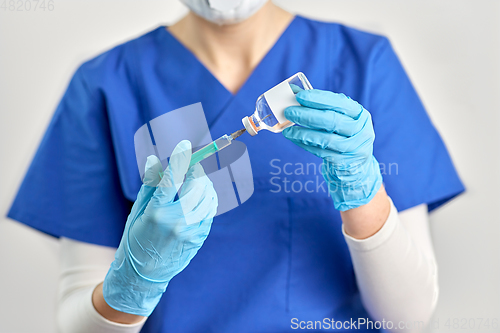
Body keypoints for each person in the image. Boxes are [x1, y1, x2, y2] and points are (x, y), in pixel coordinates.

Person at [7, 0, 465, 332]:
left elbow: (408, 318)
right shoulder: (107, 83)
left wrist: (362, 189)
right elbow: (77, 322)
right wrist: (133, 282)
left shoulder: (362, 63)